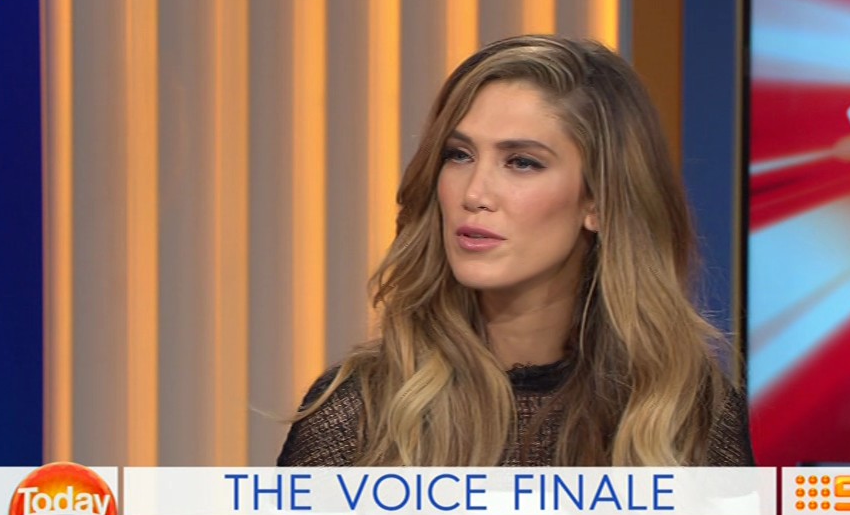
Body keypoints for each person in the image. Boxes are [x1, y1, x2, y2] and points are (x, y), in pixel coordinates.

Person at [277, 34, 754, 467]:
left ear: (598, 201)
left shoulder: (684, 415)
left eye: (522, 162)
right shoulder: (359, 416)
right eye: (458, 155)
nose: (474, 193)